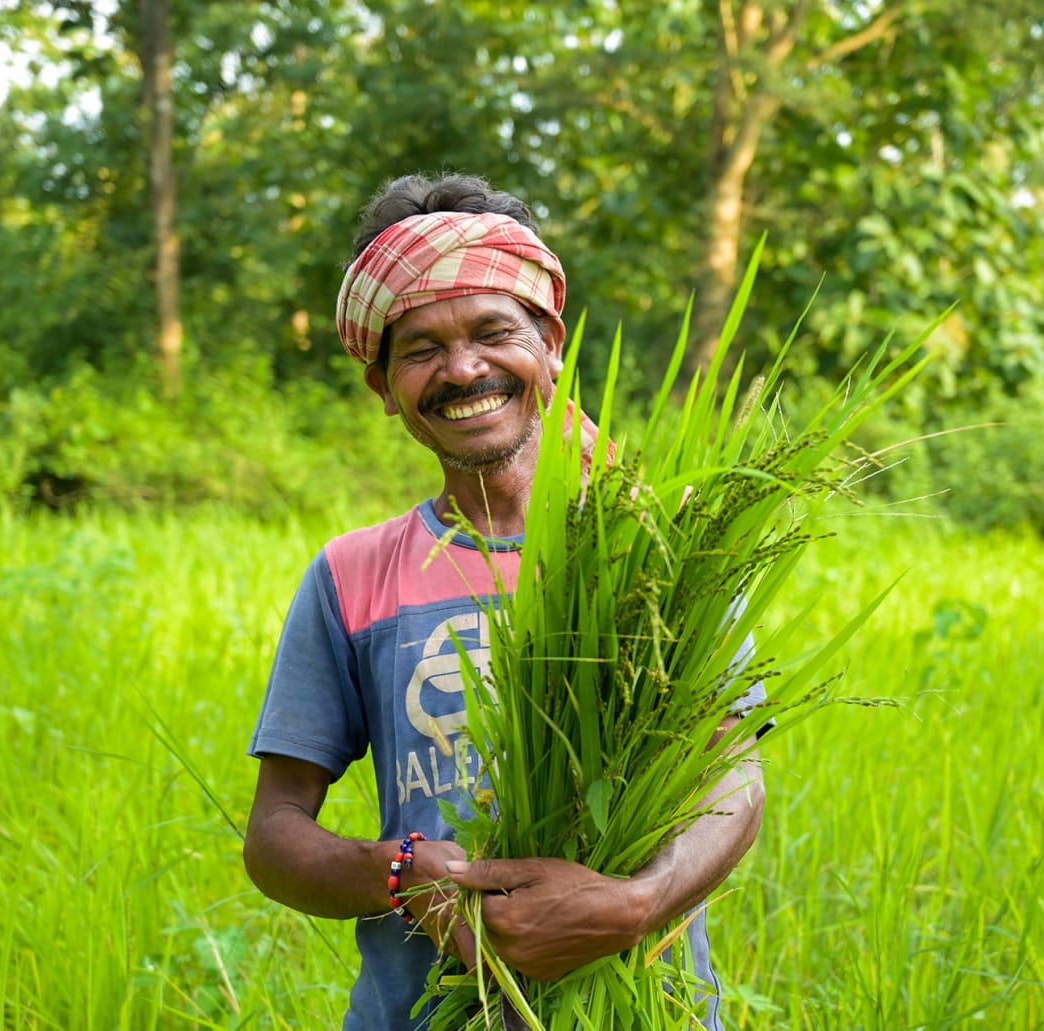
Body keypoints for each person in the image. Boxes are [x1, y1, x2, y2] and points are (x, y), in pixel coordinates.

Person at [242, 172, 765, 1031]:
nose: (462, 369)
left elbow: (733, 770)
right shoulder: (350, 575)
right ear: (383, 385)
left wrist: (637, 902)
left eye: (493, 330)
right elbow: (275, 833)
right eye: (418, 349)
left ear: (549, 341)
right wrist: (401, 872)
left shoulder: (657, 546)